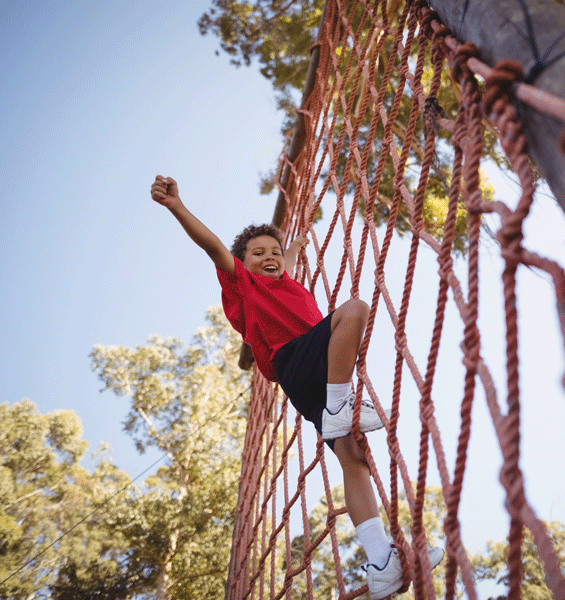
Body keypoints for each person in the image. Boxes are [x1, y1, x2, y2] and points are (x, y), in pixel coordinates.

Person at [150, 175, 442, 598]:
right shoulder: (243, 286)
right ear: (241, 264)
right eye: (256, 254)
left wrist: (295, 246)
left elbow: (283, 257)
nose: (268, 257)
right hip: (298, 361)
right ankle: (342, 406)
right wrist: (177, 206)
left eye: (272, 252)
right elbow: (213, 246)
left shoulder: (284, 277)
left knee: (354, 456)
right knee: (355, 309)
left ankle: (381, 563)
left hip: (314, 381)